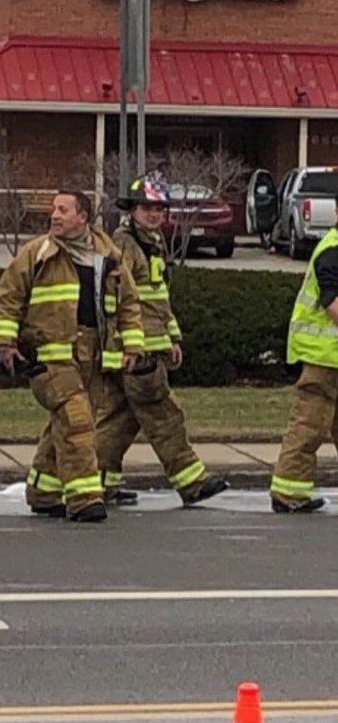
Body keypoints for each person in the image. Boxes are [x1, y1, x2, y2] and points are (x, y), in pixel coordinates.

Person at [0, 190, 144, 522]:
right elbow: (9, 298)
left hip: (94, 357)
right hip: (50, 358)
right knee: (77, 420)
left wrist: (132, 346)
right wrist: (6, 343)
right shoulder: (36, 253)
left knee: (65, 423)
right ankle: (84, 497)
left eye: (63, 210)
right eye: (53, 210)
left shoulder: (109, 255)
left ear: (83, 217)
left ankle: (44, 492)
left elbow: (129, 303)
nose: (54, 215)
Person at [96, 175, 229, 506]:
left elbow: (157, 298)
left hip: (145, 346)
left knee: (119, 420)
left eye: (160, 208)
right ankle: (192, 482)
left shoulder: (151, 242)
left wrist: (172, 337)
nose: (155, 214)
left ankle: (97, 484)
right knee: (164, 415)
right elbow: (118, 298)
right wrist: (133, 346)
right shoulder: (125, 244)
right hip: (139, 352)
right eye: (147, 208)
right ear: (133, 210)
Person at [270, 197, 338, 513]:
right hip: (323, 357)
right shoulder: (332, 250)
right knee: (310, 424)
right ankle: (288, 491)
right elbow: (333, 304)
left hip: (331, 355)